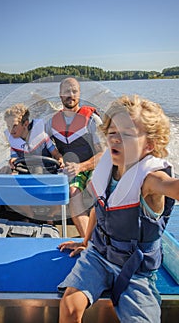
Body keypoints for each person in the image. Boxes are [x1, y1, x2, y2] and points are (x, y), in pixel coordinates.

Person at [57, 95, 179, 323]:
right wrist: (85, 241)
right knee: (70, 305)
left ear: (149, 145)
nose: (115, 139)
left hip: (136, 271)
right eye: (112, 132)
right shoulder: (108, 168)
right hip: (98, 256)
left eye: (127, 135)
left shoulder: (151, 179)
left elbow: (172, 187)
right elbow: (99, 210)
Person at [45, 77, 104, 237]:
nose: (70, 95)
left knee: (94, 186)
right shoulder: (51, 123)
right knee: (72, 191)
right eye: (66, 92)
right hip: (70, 170)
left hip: (93, 166)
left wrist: (81, 167)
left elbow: (104, 154)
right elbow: (41, 144)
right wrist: (57, 156)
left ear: (79, 94)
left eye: (74, 91)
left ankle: (103, 234)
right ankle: (88, 242)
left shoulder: (93, 120)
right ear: (60, 96)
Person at [4, 103, 64, 220]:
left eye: (14, 126)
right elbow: (14, 158)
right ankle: (29, 213)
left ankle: (50, 215)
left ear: (25, 124)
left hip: (47, 173)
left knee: (59, 194)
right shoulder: (14, 144)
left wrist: (60, 159)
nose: (11, 130)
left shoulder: (43, 137)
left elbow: (56, 153)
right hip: (26, 175)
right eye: (8, 126)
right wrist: (12, 161)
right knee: (12, 190)